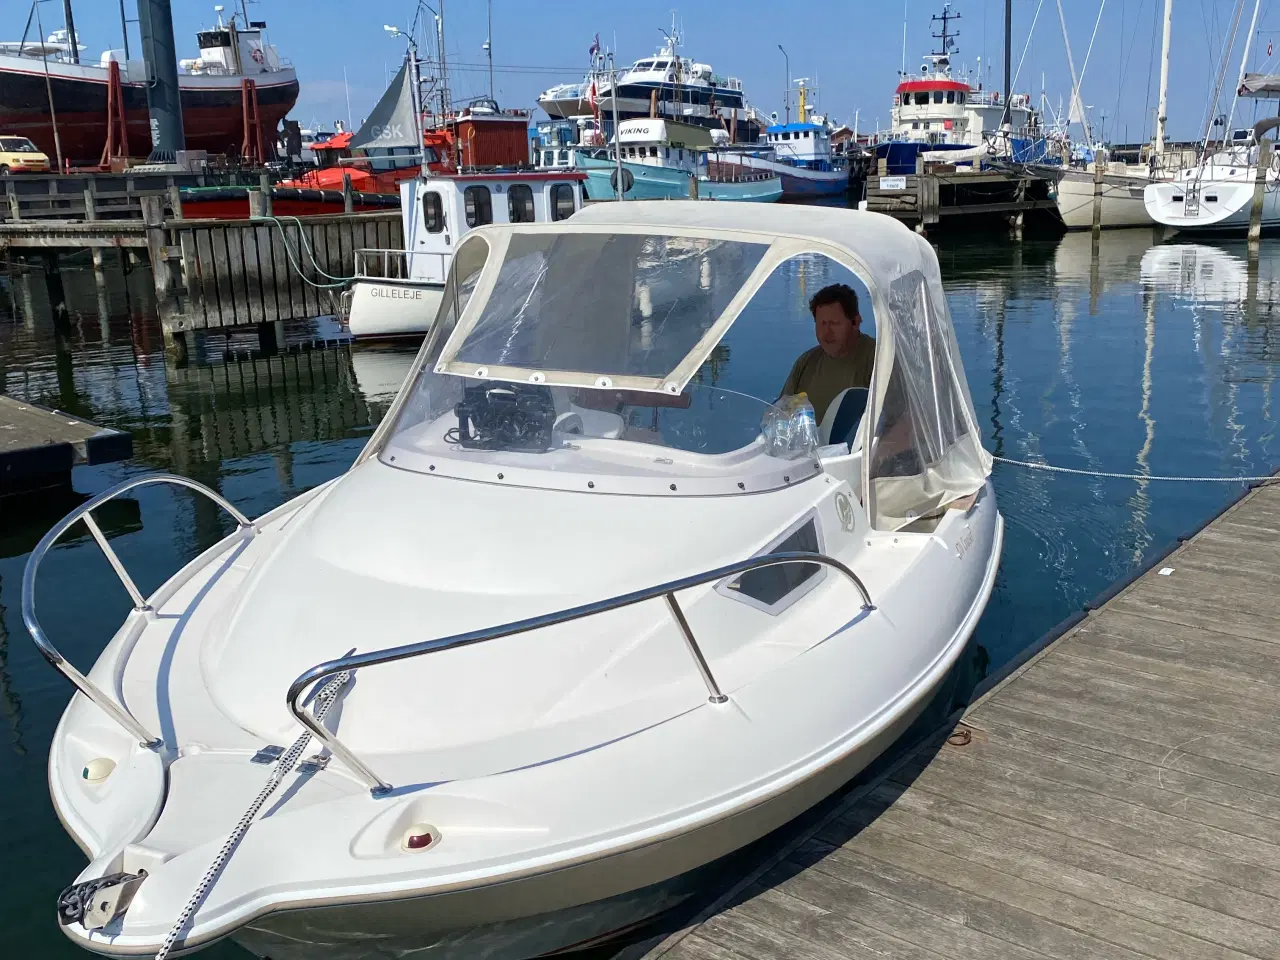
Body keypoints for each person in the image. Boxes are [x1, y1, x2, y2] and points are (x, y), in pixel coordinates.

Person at [779, 283, 876, 422]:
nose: (826, 333)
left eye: (834, 323)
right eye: (821, 323)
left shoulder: (878, 359)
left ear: (856, 322)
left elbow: (904, 422)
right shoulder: (806, 363)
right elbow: (781, 413)